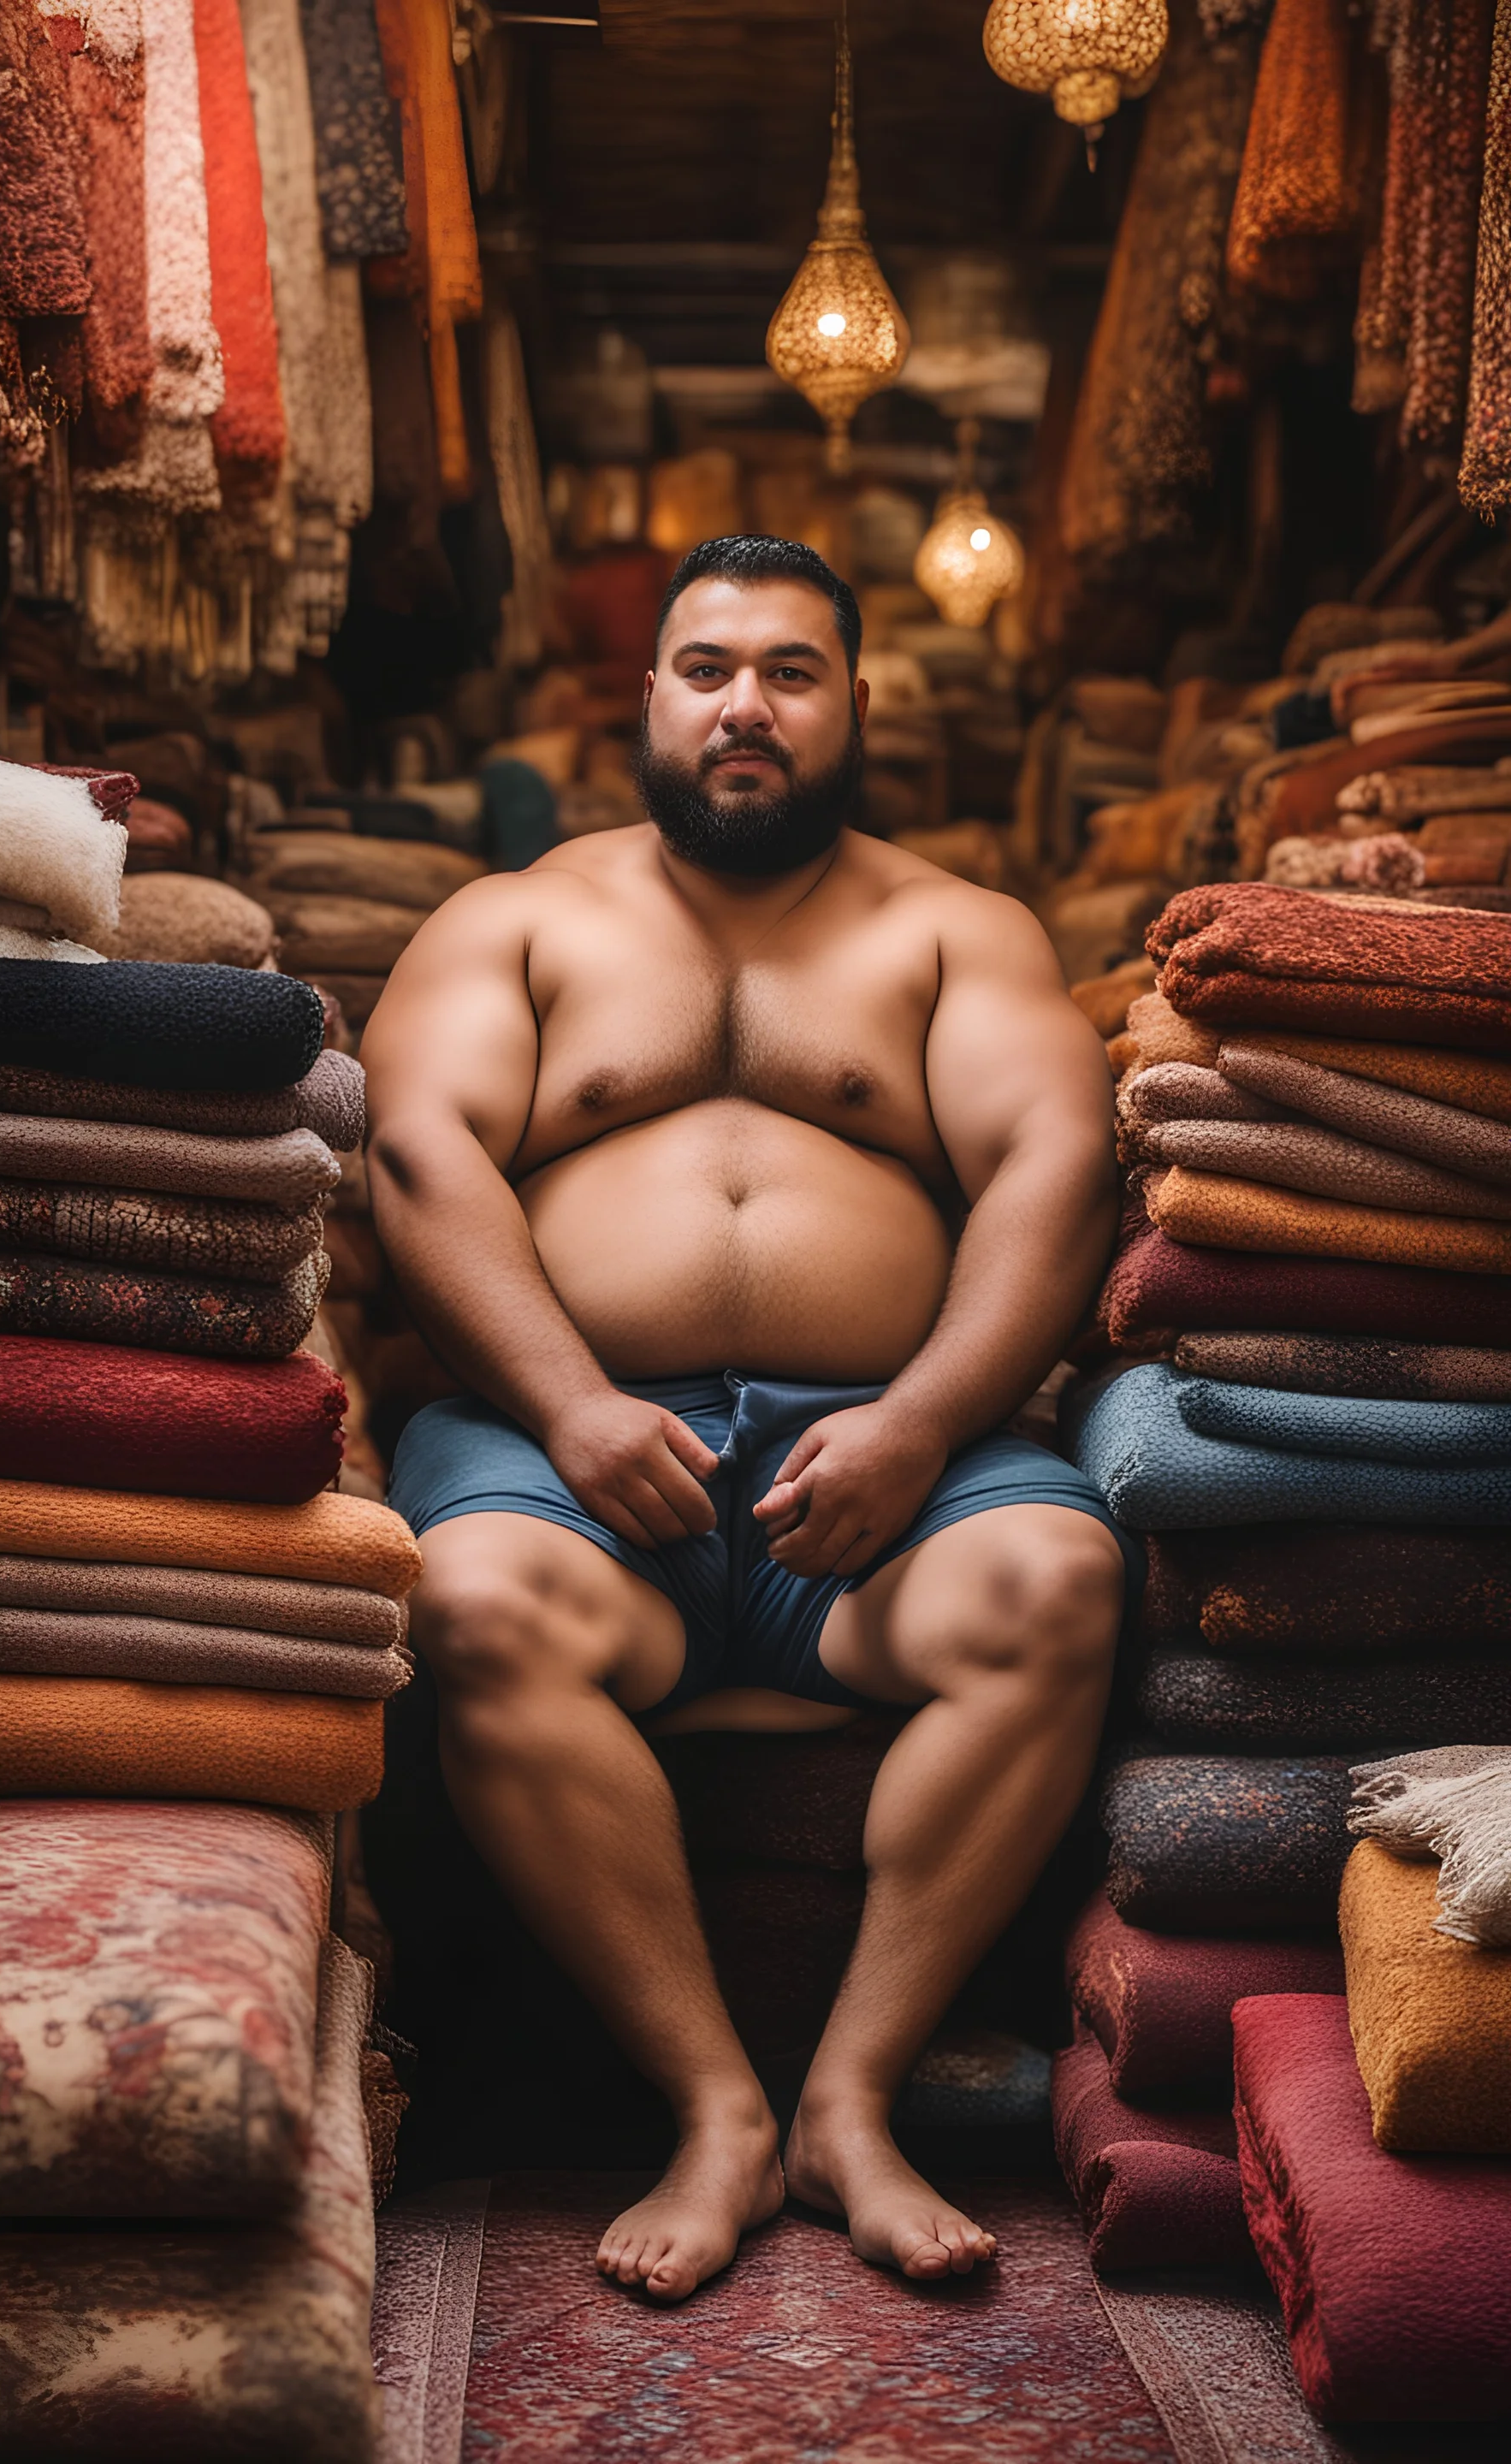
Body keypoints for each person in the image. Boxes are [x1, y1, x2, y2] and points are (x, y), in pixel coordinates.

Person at [362, 535, 1135, 2306]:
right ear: (649, 700)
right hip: (564, 1458)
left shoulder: (955, 930)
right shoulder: (520, 919)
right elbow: (420, 1153)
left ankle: (848, 2106)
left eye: (791, 672)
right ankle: (716, 2108)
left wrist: (929, 1424)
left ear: (856, 702)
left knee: (1057, 1592)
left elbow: (1053, 1166)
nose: (746, 707)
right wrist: (566, 1405)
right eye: (709, 668)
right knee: (471, 1609)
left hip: (878, 1461)